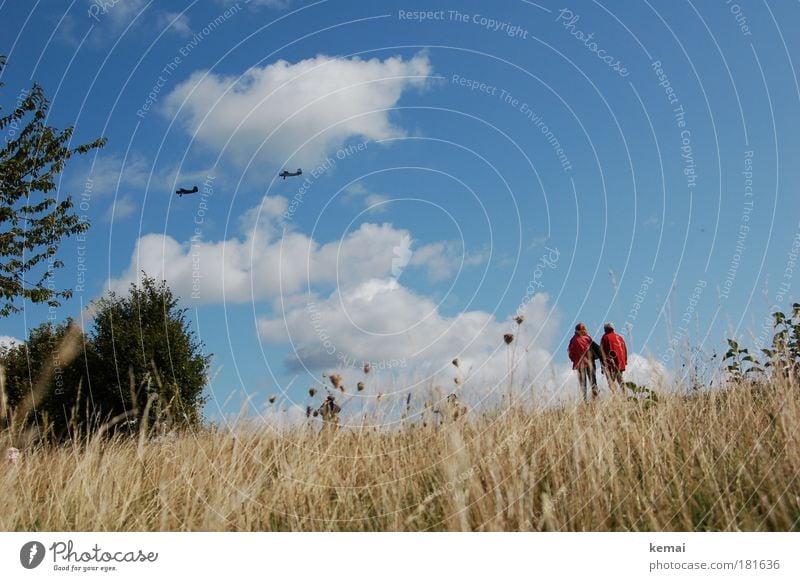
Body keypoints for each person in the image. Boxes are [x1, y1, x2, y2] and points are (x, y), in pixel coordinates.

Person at [568, 323, 600, 401]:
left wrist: (574, 360)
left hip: (579, 365)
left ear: (576, 330)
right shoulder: (587, 338)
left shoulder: (572, 340)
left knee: (583, 384)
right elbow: (596, 348)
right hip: (590, 363)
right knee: (593, 381)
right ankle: (595, 399)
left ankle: (584, 401)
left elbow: (570, 353)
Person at [600, 322, 628, 393]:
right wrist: (625, 361)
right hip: (620, 362)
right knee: (621, 380)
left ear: (605, 329)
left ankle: (615, 397)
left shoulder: (604, 338)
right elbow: (625, 349)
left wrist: (602, 366)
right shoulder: (620, 337)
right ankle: (625, 396)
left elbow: (602, 353)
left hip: (610, 364)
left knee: (611, 382)